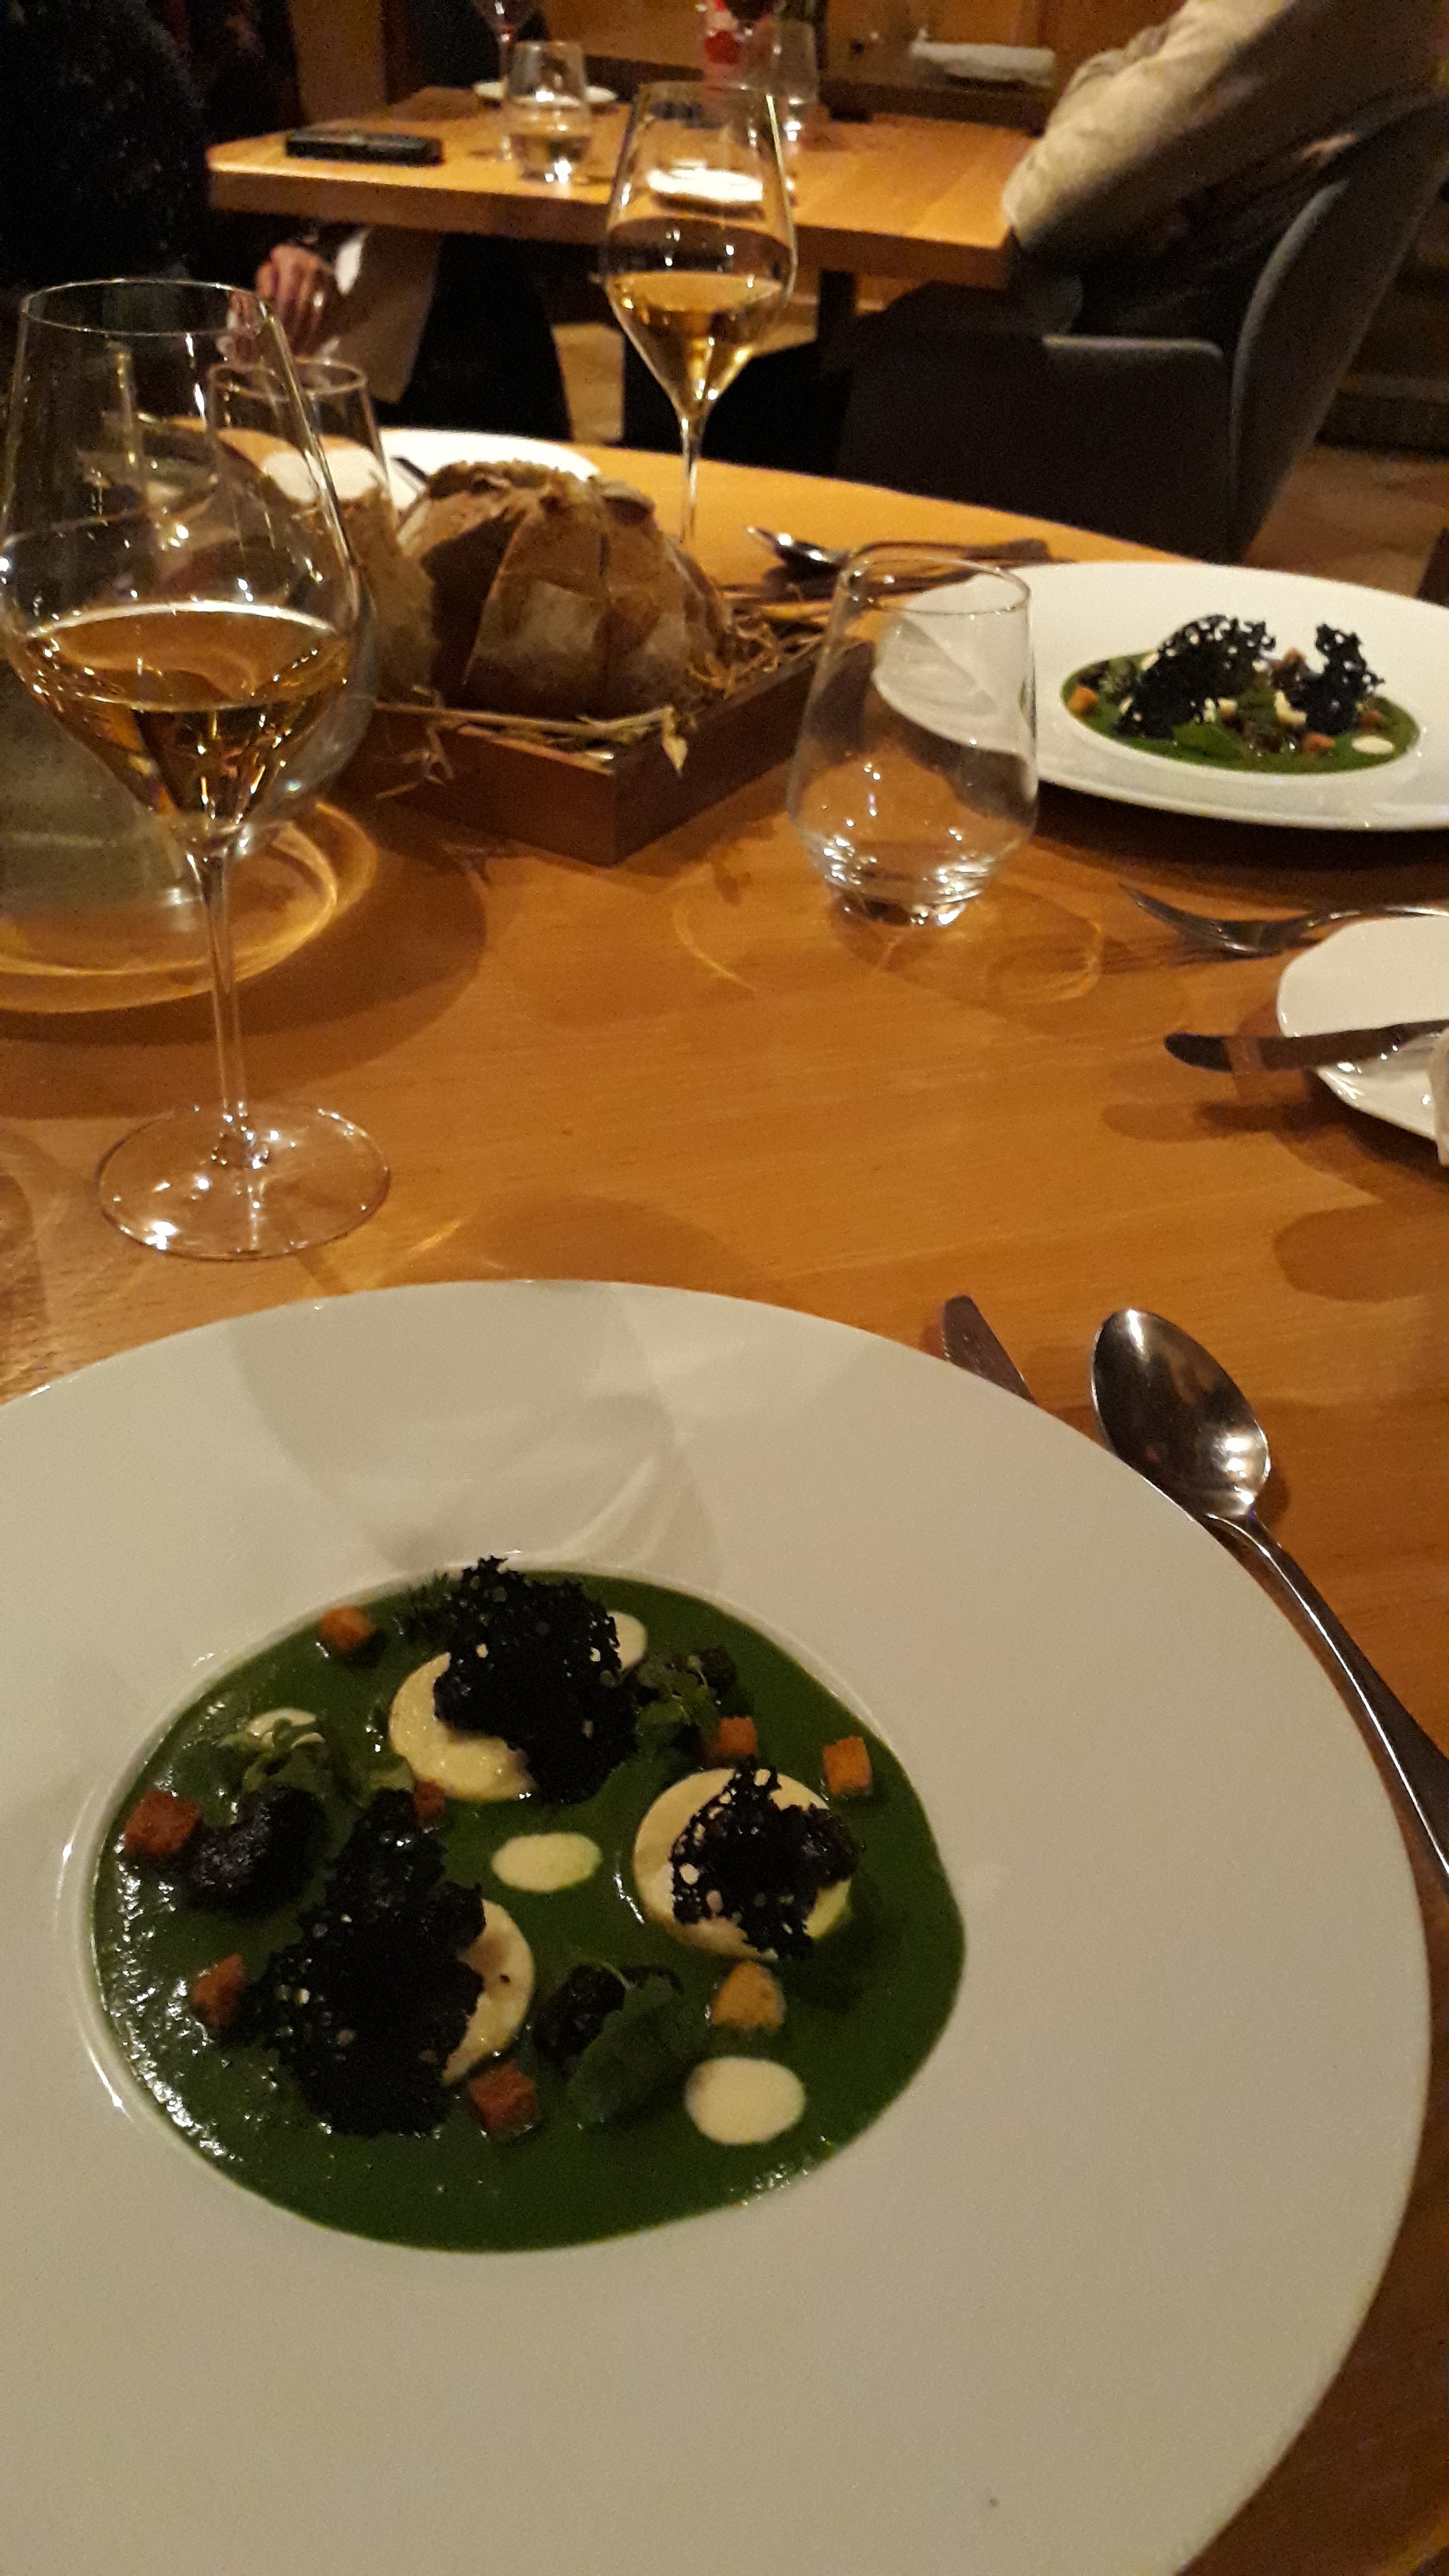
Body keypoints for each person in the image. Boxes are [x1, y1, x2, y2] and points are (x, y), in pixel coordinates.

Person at [698, 0, 1447, 475]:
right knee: (730, 384)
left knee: (702, 410)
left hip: (1079, 406)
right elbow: (1120, 99)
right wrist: (1144, 151)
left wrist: (1115, 86)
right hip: (1119, 388)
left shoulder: (1297, 13)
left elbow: (1048, 205)